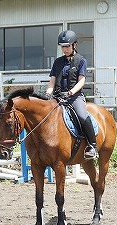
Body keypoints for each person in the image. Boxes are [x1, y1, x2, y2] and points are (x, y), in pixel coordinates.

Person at [45, 30, 98, 159]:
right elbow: (52, 80)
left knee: (82, 115)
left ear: (74, 45)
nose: (65, 49)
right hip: (57, 96)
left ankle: (92, 146)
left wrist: (71, 92)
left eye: (67, 46)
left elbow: (82, 80)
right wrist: (47, 94)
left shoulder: (81, 61)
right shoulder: (57, 62)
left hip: (74, 97)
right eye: (63, 47)